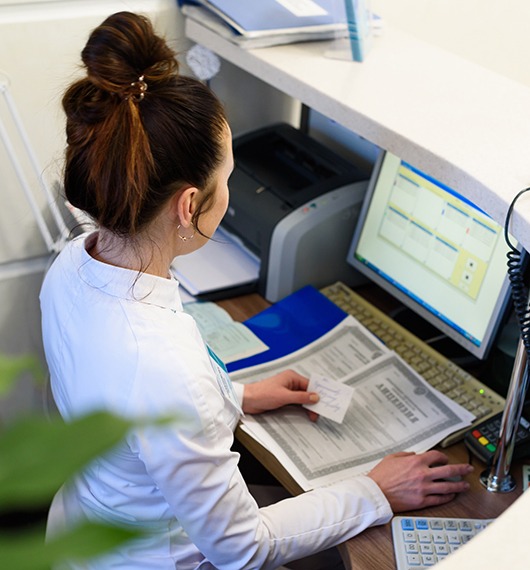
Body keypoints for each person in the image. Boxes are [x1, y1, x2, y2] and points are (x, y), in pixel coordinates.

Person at [40, 11, 474, 570]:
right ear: (190, 205)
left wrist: (236, 397)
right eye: (228, 177)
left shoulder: (73, 264)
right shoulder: (163, 365)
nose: (232, 190)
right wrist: (375, 491)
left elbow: (128, 405)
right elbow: (243, 549)